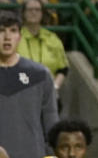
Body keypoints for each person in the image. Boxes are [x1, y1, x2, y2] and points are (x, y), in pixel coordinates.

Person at [0, 10, 58, 157]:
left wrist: (51, 153)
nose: (7, 37)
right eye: (1, 31)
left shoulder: (40, 74)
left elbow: (50, 119)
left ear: (19, 36)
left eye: (13, 31)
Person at [18, 0, 68, 91]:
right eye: (30, 9)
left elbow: (63, 69)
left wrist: (55, 87)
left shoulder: (52, 38)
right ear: (23, 13)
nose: (34, 12)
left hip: (48, 94)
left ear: (42, 13)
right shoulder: (14, 38)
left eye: (37, 10)